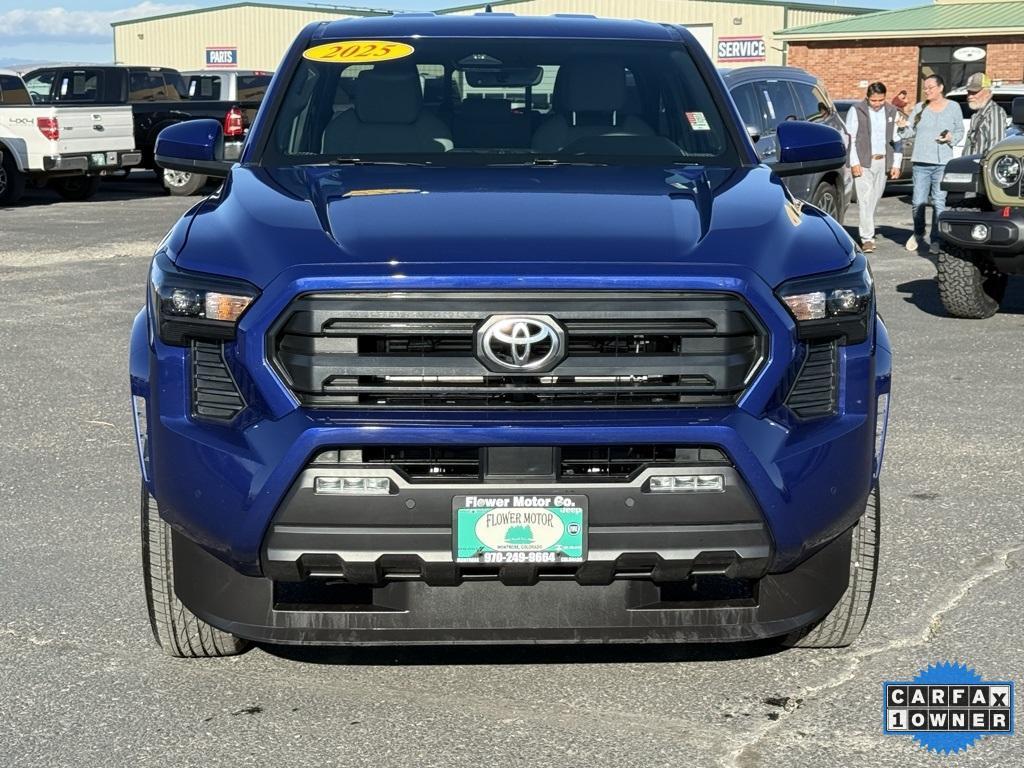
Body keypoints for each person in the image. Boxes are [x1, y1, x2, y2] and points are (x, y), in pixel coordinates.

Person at [898, 74, 964, 254]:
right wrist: (903, 126)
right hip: (921, 162)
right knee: (918, 201)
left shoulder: (953, 107)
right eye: (925, 88)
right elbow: (907, 133)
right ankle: (918, 232)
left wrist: (951, 138)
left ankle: (936, 239)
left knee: (939, 202)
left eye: (930, 88)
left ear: (941, 88)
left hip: (942, 163)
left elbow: (959, 131)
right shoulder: (920, 108)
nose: (927, 91)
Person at [845, 82, 903, 253]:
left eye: (880, 100)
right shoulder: (856, 111)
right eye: (874, 100)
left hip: (882, 161)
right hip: (863, 161)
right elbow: (851, 139)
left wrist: (896, 164)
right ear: (867, 97)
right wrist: (854, 163)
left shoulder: (892, 111)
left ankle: (867, 230)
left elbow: (897, 140)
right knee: (865, 200)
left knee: (874, 199)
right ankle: (867, 238)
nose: (877, 104)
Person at [962, 72, 1006, 156]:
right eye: (969, 92)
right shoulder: (977, 114)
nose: (970, 96)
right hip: (969, 165)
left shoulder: (994, 113)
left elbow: (995, 147)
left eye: (974, 92)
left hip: (981, 167)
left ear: (987, 92)